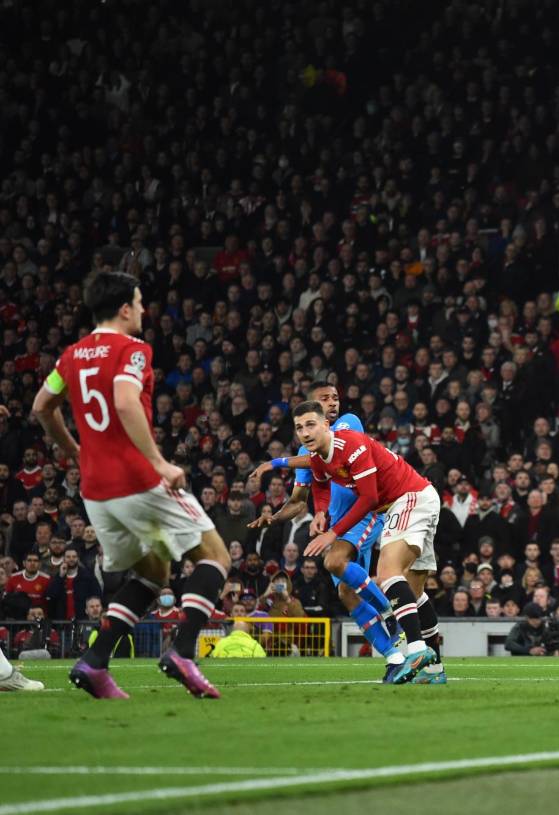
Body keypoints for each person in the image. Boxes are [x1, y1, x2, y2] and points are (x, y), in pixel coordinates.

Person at [32, 271, 232, 699]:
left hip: (96, 493)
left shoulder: (71, 356)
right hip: (138, 480)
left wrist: (76, 453)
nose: (143, 310)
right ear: (125, 309)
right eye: (140, 303)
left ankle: (95, 661)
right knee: (215, 554)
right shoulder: (134, 350)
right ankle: (182, 651)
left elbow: (42, 406)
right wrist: (159, 462)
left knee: (154, 571)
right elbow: (124, 399)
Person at [247, 381, 400, 673]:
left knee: (336, 561)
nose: (333, 403)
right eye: (324, 399)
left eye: (335, 398)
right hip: (337, 526)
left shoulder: (348, 425)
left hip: (363, 513)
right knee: (346, 593)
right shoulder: (309, 451)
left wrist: (277, 462)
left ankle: (392, 613)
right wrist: (275, 517)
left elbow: (328, 453)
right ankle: (394, 657)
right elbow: (298, 501)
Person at [295, 401, 438, 683]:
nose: (305, 432)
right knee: (415, 592)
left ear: (326, 424)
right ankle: (435, 671)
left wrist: (332, 534)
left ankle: (417, 649)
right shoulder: (317, 459)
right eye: (299, 427)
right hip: (415, 501)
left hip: (409, 497)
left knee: (387, 572)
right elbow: (321, 485)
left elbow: (370, 498)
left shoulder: (351, 444)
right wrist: (321, 512)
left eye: (311, 424)